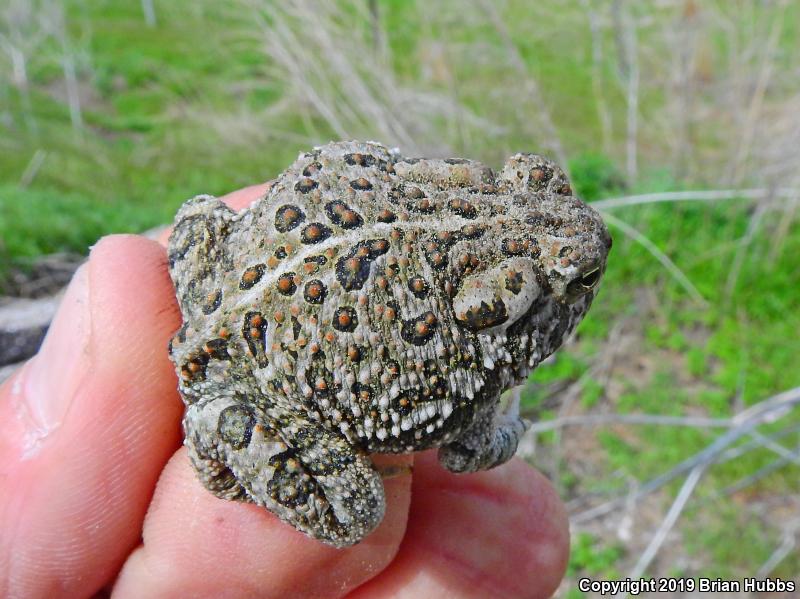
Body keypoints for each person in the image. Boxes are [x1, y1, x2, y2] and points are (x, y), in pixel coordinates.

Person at [0, 184, 569, 598]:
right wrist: (510, 426)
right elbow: (466, 450)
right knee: (355, 511)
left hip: (226, 280)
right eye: (579, 282)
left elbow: (208, 211)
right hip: (263, 385)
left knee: (200, 211)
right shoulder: (501, 336)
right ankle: (219, 423)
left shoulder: (446, 184)